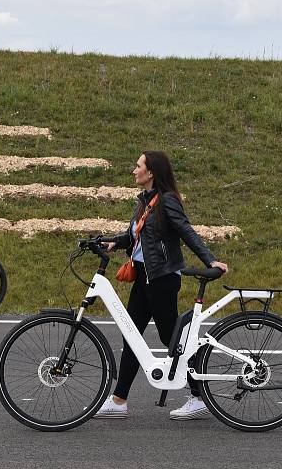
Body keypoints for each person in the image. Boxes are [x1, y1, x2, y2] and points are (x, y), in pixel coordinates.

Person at [94, 150, 228, 420]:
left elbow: (185, 231)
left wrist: (211, 260)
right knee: (132, 334)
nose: (134, 170)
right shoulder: (145, 201)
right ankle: (119, 400)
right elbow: (137, 236)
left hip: (163, 278)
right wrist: (113, 242)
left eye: (138, 165)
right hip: (144, 276)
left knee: (172, 339)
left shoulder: (167, 201)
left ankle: (199, 397)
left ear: (151, 172)